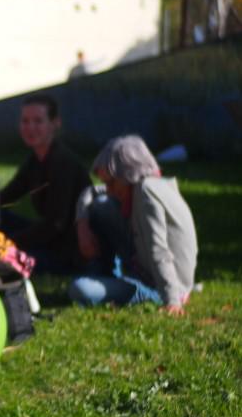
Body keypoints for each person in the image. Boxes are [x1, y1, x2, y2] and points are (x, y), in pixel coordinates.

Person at [69, 134, 197, 315]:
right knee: (99, 205)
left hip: (160, 286)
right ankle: (104, 276)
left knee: (80, 289)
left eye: (112, 182)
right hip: (144, 268)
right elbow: (91, 192)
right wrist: (82, 224)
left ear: (130, 173)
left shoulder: (146, 192)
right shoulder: (141, 186)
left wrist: (172, 301)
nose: (109, 189)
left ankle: (105, 282)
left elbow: (158, 250)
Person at [0, 94, 91, 273]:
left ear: (55, 123)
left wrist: (7, 242)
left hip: (66, 251)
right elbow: (6, 197)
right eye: (25, 121)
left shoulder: (63, 163)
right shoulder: (35, 160)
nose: (30, 128)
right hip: (49, 240)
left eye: (38, 121)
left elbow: (55, 226)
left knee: (1, 258)